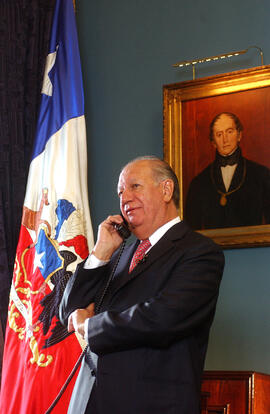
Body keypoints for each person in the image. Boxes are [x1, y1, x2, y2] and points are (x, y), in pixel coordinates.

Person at [59, 156, 224, 414]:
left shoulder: (200, 253)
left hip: (154, 405)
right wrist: (100, 253)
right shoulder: (117, 252)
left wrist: (89, 325)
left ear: (166, 190)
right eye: (120, 191)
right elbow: (68, 310)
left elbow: (162, 318)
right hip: (96, 403)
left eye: (135, 186)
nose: (125, 197)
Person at [185, 112, 270, 230]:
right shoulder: (198, 183)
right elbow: (191, 231)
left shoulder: (261, 175)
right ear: (213, 142)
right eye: (219, 134)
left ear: (239, 135)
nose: (225, 139)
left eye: (229, 132)